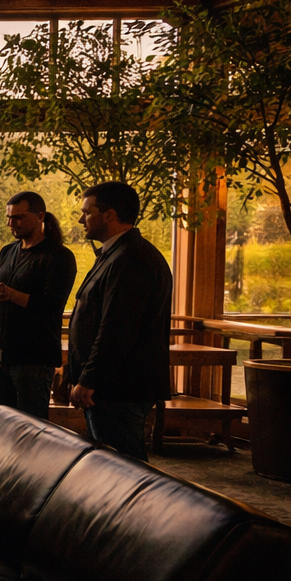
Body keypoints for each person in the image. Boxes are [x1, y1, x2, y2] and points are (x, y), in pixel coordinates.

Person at [66, 181, 172, 460]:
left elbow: (117, 328)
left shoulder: (130, 258)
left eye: (86, 212)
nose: (81, 219)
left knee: (122, 470)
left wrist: (89, 379)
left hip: (118, 388)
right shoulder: (115, 253)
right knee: (113, 465)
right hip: (110, 386)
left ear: (109, 215)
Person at [0, 192, 78, 421]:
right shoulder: (7, 251)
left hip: (33, 357)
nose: (11, 224)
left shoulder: (59, 256)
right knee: (1, 423)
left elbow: (51, 306)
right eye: (9, 217)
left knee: (32, 426)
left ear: (40, 216)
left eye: (18, 218)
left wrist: (11, 294)